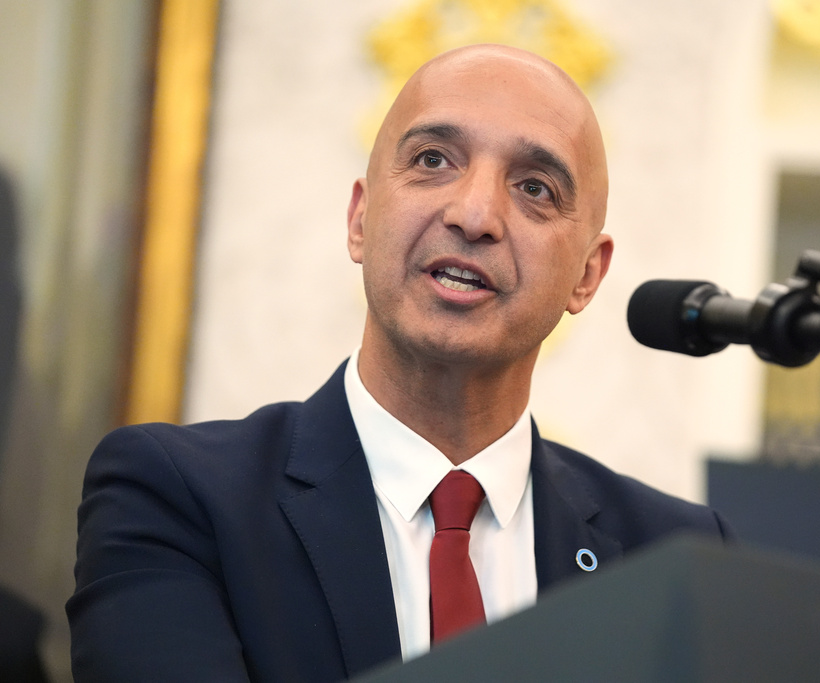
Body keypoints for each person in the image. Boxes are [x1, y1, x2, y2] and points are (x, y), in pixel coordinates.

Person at [67, 44, 732, 682]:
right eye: (434, 159)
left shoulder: (677, 556)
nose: (474, 215)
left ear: (588, 274)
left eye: (534, 187)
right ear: (359, 218)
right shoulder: (176, 497)